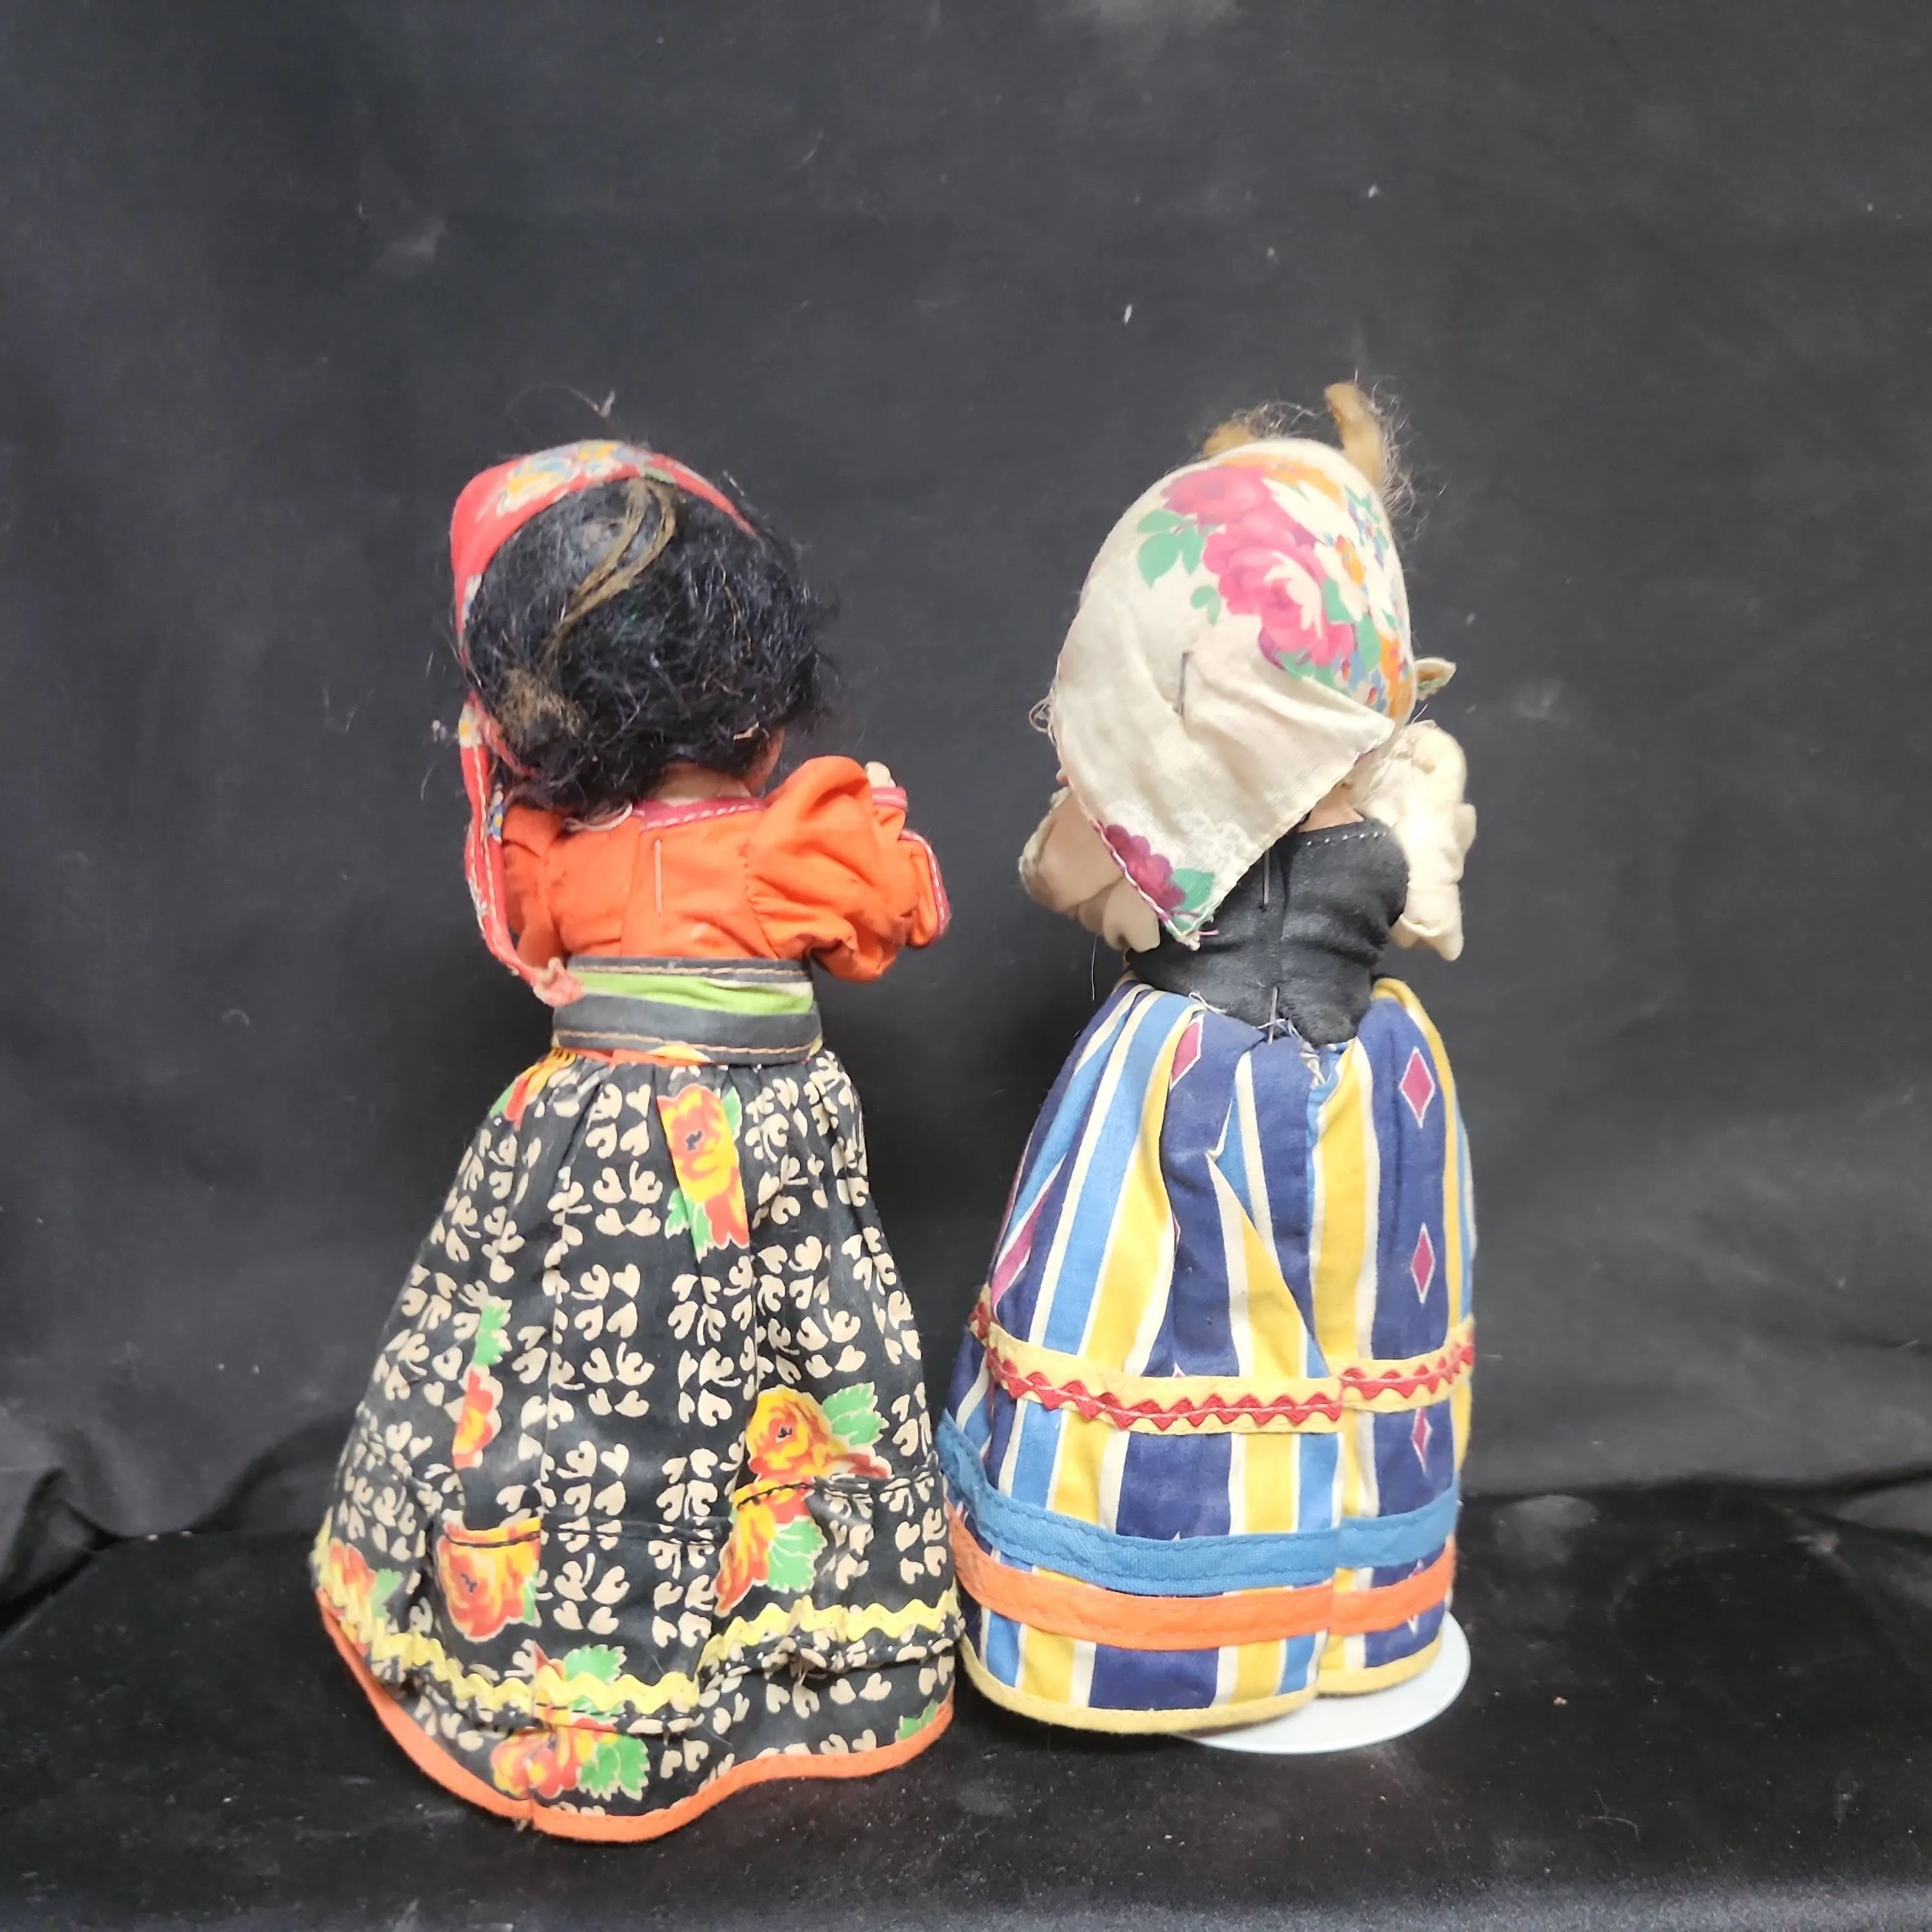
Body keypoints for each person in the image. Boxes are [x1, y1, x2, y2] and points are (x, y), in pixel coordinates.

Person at [314, 441, 958, 1838]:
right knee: (792, 1370)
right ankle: (788, 1663)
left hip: (585, 1140)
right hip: (760, 1149)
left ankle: (569, 1679)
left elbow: (528, 928)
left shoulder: (554, 850)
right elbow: (894, 917)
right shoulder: (788, 843)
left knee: (547, 1385)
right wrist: (891, 836)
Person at [941, 390, 1477, 1733]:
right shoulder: (1341, 810)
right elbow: (1417, 908)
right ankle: (1228, 1617)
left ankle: (1274, 1608)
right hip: (1289, 1088)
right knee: (1248, 1324)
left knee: (1274, 1329)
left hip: (1260, 1081)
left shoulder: (1344, 797)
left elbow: (1074, 877)